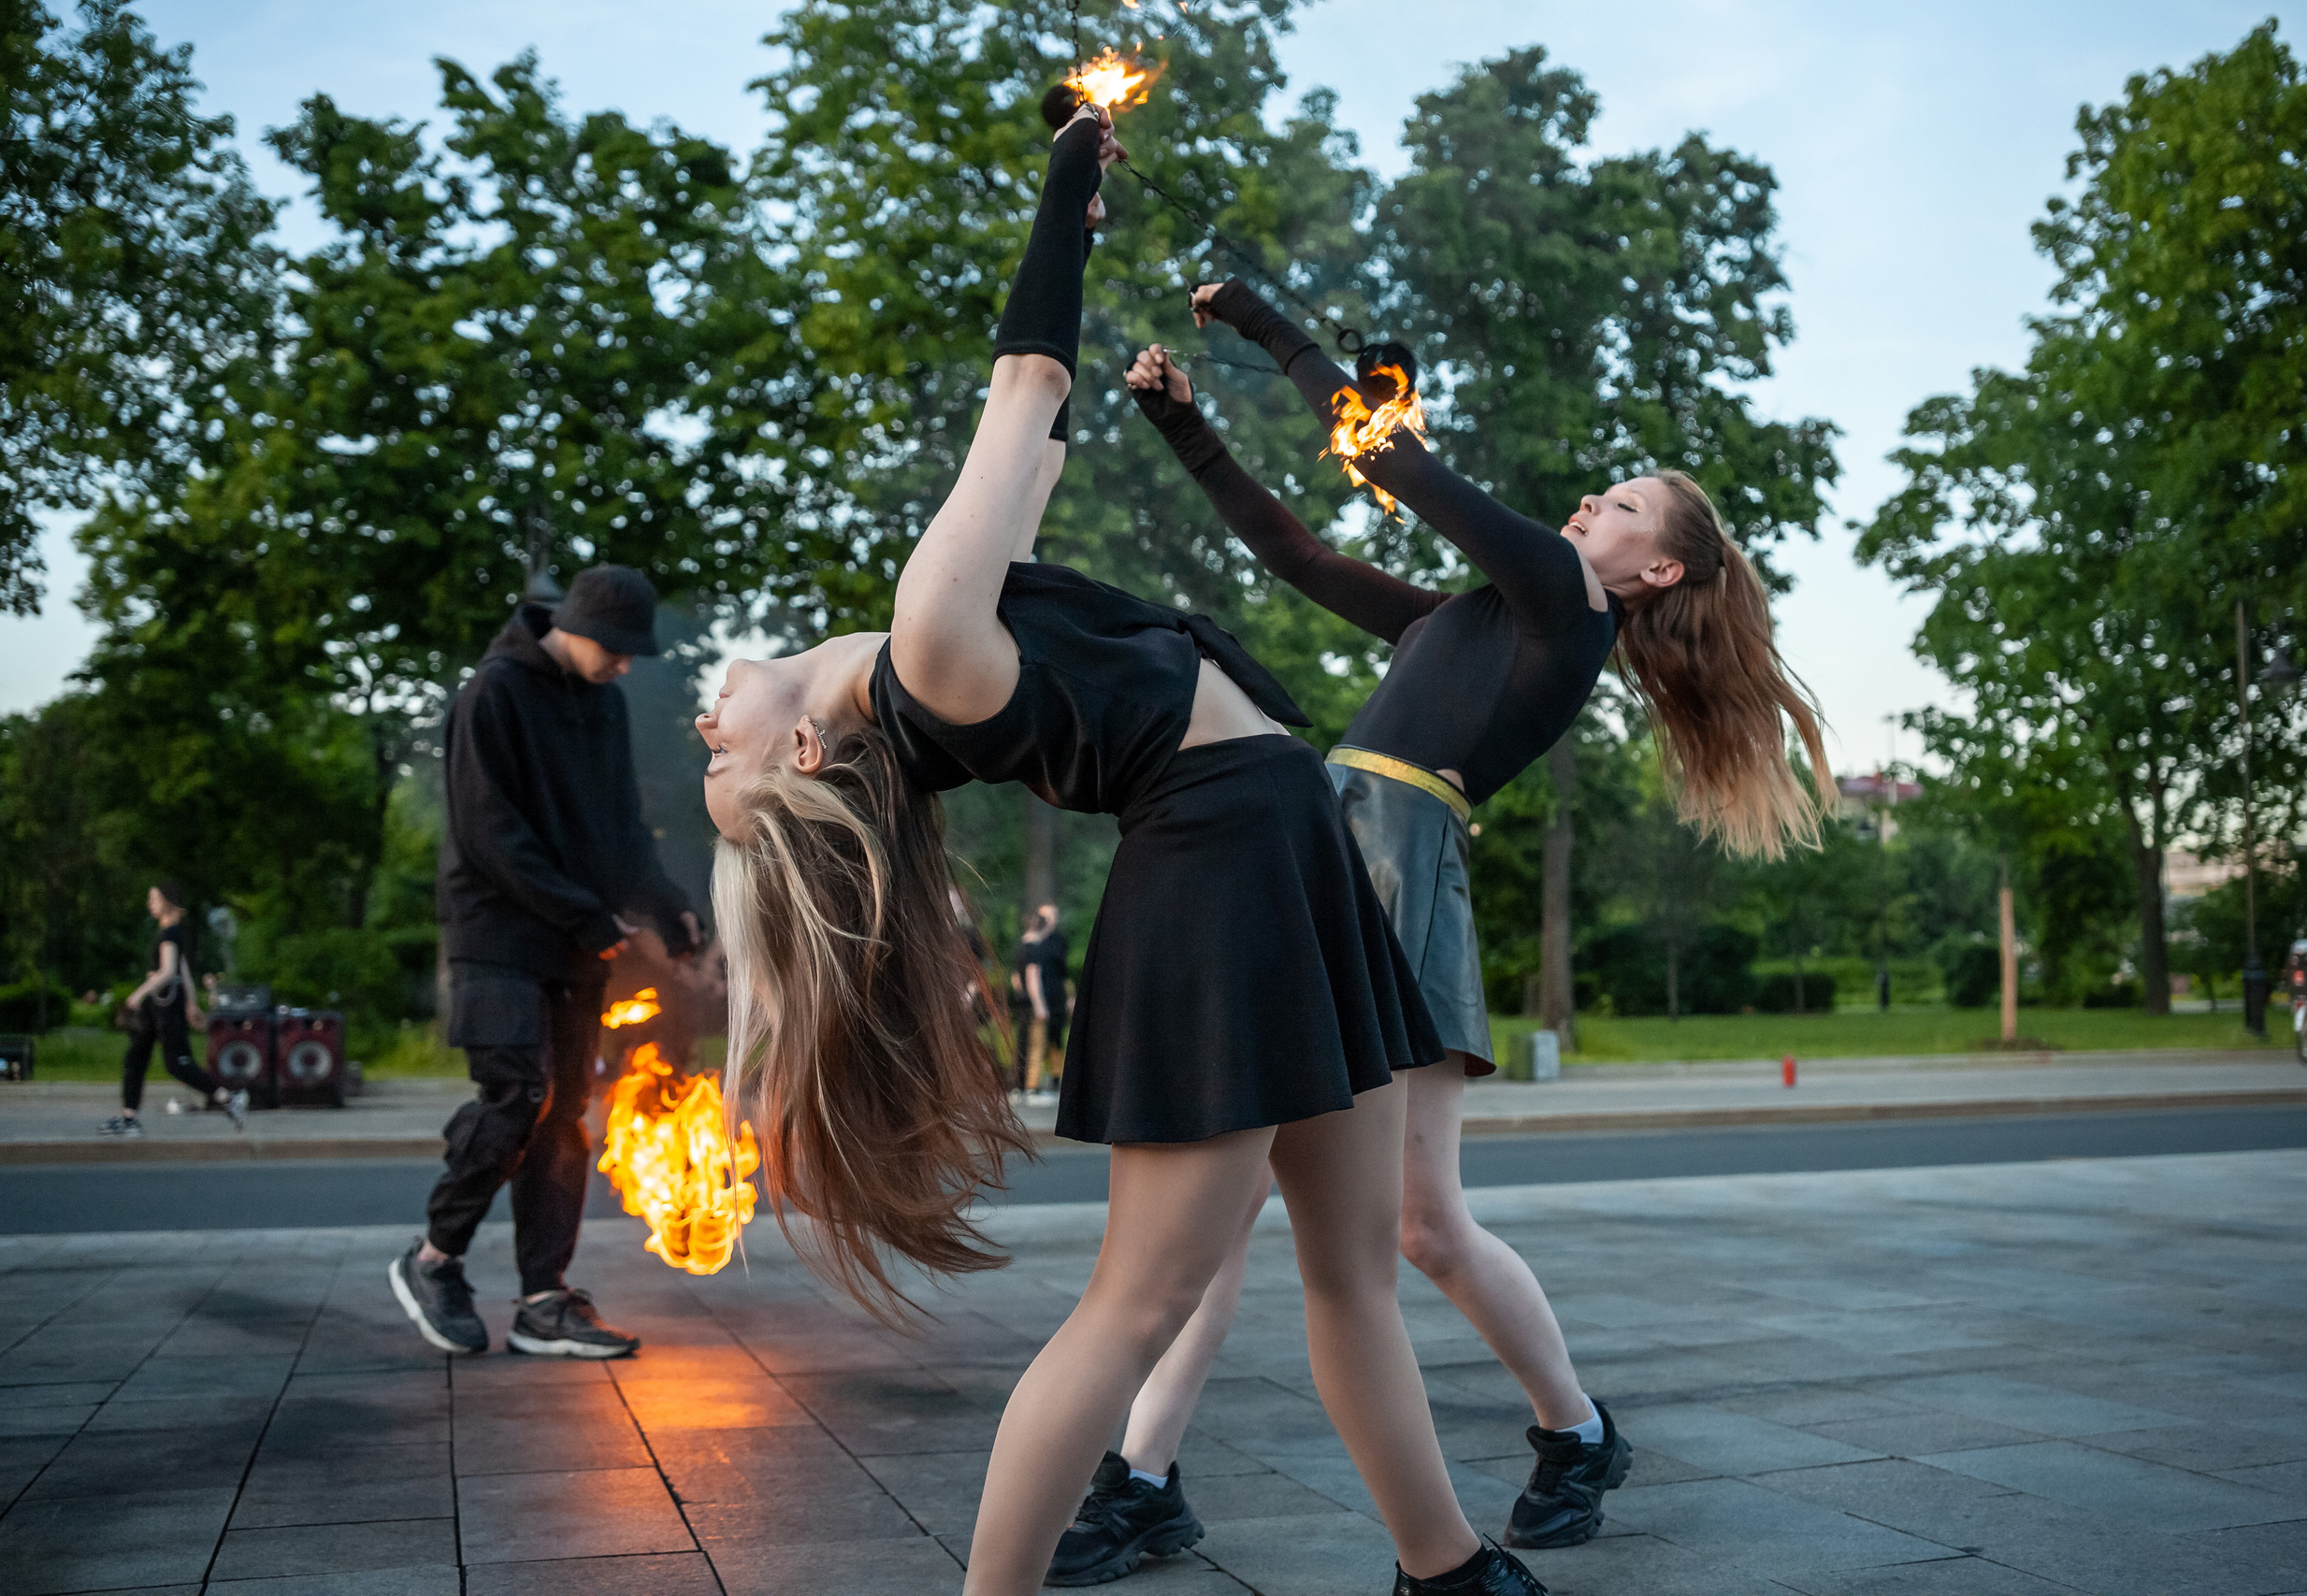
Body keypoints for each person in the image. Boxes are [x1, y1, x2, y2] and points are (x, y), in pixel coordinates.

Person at [699, 104, 1548, 1596]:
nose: (710, 733)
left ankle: (1448, 1568)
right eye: (728, 773)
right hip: (1220, 882)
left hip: (1282, 852)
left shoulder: (933, 644)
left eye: (708, 756)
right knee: (1136, 1301)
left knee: (1350, 1268)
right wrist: (1058, 174)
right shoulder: (930, 641)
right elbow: (1027, 384)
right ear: (809, 756)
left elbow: (1041, 442)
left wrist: (1078, 216)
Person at [1051, 291, 1834, 1575]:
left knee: (1420, 1222)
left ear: (1659, 573)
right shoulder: (1453, 618)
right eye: (1608, 490)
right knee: (1225, 1202)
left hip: (1401, 876)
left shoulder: (1569, 611)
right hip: (1321, 857)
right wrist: (1182, 428)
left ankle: (1575, 1429)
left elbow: (1399, 462)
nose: (1598, 502)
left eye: (1628, 505)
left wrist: (1265, 322)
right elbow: (1298, 557)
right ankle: (1143, 1477)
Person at [389, 564, 705, 1360]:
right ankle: (433, 1259)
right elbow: (491, 834)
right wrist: (590, 916)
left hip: (572, 943)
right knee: (517, 1095)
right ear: (579, 626)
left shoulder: (600, 704)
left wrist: (667, 905)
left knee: (566, 1114)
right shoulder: (492, 693)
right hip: (497, 932)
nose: (626, 665)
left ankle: (542, 1299)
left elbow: (620, 829)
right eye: (619, 649)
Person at [101, 879, 244, 1136]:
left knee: (178, 1064)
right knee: (135, 1057)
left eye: (153, 899)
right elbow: (183, 969)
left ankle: (228, 1098)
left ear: (167, 902)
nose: (149, 904)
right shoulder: (170, 932)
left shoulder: (170, 933)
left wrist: (136, 996)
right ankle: (129, 1118)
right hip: (160, 1005)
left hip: (165, 1006)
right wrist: (191, 1003)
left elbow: (167, 971)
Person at [1012, 902, 1069, 1096]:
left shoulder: (1023, 947)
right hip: (1036, 1001)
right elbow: (1032, 976)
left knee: (1039, 1040)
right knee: (1035, 1043)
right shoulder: (1033, 949)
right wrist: (1038, 1004)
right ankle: (1031, 1085)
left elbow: (1017, 979)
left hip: (1036, 999)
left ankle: (1031, 1082)